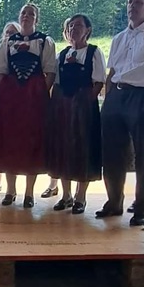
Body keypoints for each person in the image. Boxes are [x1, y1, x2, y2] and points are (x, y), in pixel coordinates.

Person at [97, 0, 144, 226]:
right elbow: (112, 73)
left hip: (141, 95)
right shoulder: (119, 38)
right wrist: (108, 99)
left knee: (143, 155)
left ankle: (141, 208)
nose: (132, 6)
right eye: (130, 2)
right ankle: (114, 201)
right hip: (116, 96)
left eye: (138, 3)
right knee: (112, 152)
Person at [0, 4, 56, 208]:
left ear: (37, 18)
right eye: (23, 13)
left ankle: (29, 193)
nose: (26, 17)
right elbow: (0, 69)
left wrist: (40, 91)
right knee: (10, 139)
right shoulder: (9, 41)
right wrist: (6, 90)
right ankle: (10, 190)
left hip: (34, 96)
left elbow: (50, 71)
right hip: (11, 96)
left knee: (32, 140)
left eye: (31, 14)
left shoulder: (44, 41)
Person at [47, 14, 106, 215]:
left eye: (79, 25)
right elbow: (56, 82)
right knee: (63, 148)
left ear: (88, 30)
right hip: (63, 107)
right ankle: (66, 195)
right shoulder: (62, 54)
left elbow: (99, 81)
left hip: (83, 108)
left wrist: (85, 101)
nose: (74, 29)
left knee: (83, 149)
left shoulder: (94, 52)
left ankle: (81, 197)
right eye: (71, 26)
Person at [0, 21, 20, 196]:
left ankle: (12, 187)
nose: (9, 35)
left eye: (13, 32)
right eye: (7, 32)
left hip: (18, 97)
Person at [41, 17, 70, 200]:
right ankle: (54, 185)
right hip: (59, 101)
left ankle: (71, 193)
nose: (70, 32)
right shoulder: (60, 55)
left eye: (74, 28)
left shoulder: (91, 52)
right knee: (57, 142)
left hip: (76, 102)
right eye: (67, 29)